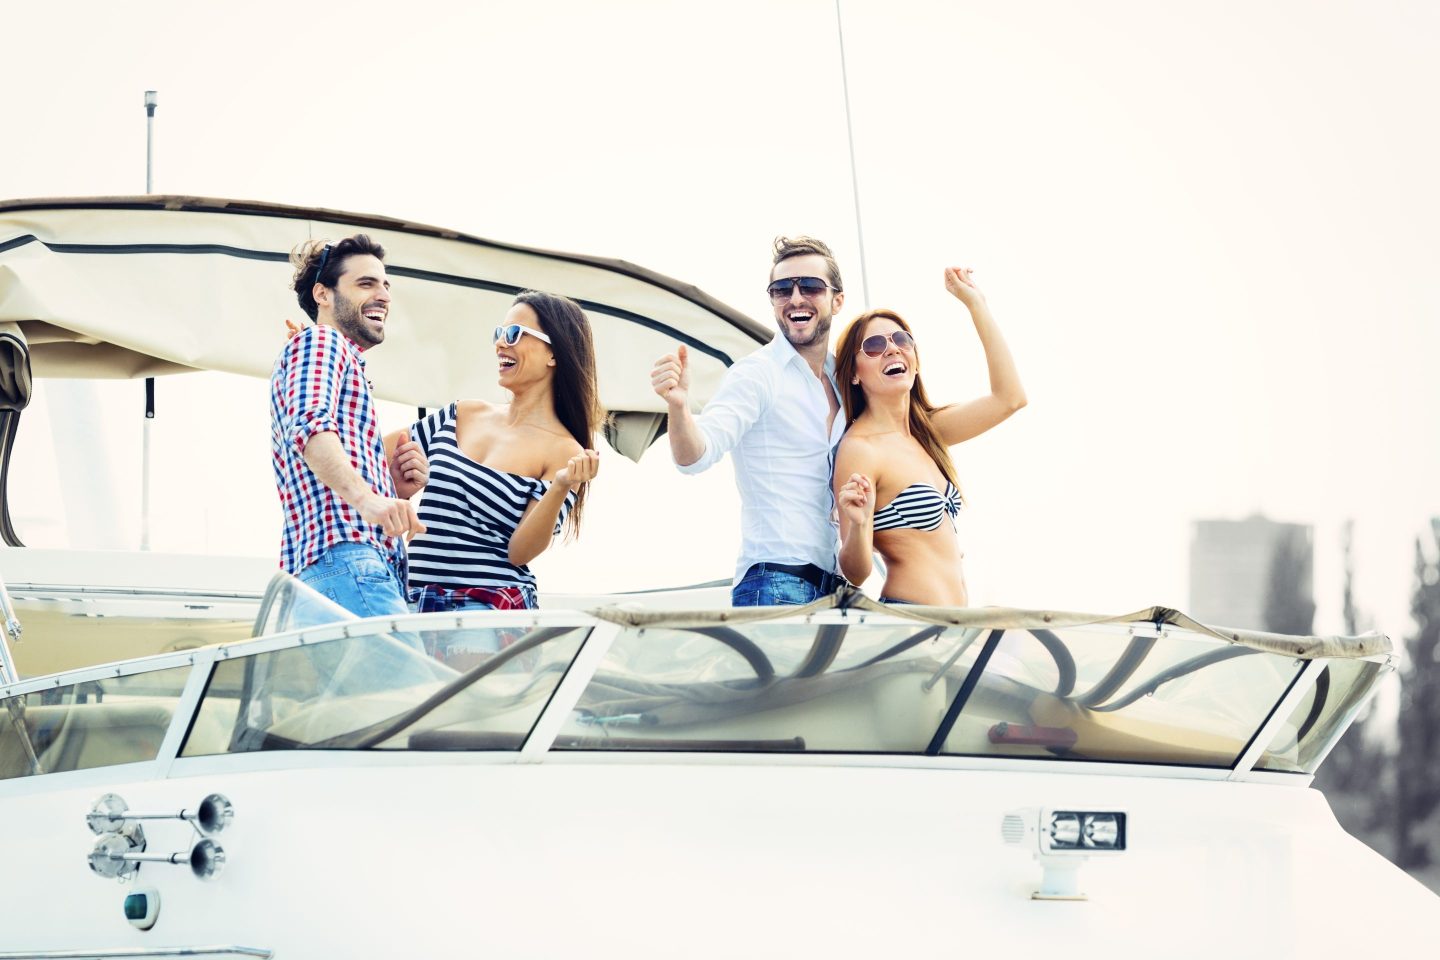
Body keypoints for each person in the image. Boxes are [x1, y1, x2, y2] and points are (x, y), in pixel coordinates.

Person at [650, 236, 847, 606]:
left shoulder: (844, 380)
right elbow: (695, 456)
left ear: (837, 300)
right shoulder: (756, 374)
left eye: (810, 286)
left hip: (835, 587)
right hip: (774, 581)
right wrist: (678, 406)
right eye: (781, 289)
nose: (795, 298)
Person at [393, 290, 601, 612]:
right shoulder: (461, 414)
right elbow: (368, 456)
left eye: (515, 333)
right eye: (500, 333)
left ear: (553, 354)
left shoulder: (565, 451)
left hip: (487, 609)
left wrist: (561, 486)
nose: (501, 344)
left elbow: (520, 552)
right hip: (414, 601)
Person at [833, 267, 1026, 606]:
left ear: (915, 359)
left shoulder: (927, 432)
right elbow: (856, 573)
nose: (892, 349)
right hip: (910, 620)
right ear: (853, 374)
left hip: (955, 621)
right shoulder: (860, 449)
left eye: (901, 340)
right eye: (874, 345)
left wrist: (976, 304)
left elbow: (1010, 398)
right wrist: (860, 525)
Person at [270, 234, 429, 620]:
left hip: (339, 568)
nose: (384, 295)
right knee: (408, 664)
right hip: (347, 561)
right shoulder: (321, 341)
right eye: (366, 283)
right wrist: (369, 500)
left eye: (386, 285)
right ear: (323, 294)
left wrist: (390, 488)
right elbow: (310, 426)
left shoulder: (337, 357)